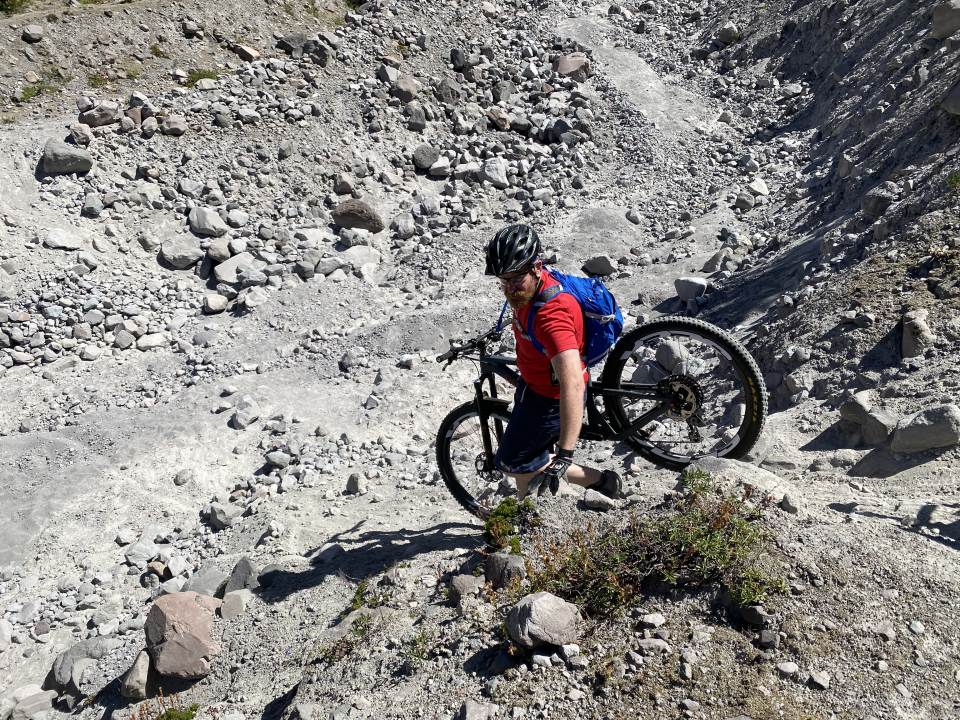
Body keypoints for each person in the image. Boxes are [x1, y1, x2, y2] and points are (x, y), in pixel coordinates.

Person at [485, 223, 622, 499]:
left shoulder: (552, 318)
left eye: (515, 279)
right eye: (503, 280)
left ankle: (600, 481)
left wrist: (565, 454)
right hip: (534, 386)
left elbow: (573, 384)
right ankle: (528, 507)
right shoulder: (532, 287)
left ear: (537, 267)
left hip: (549, 399)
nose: (510, 288)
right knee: (525, 462)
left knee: (514, 461)